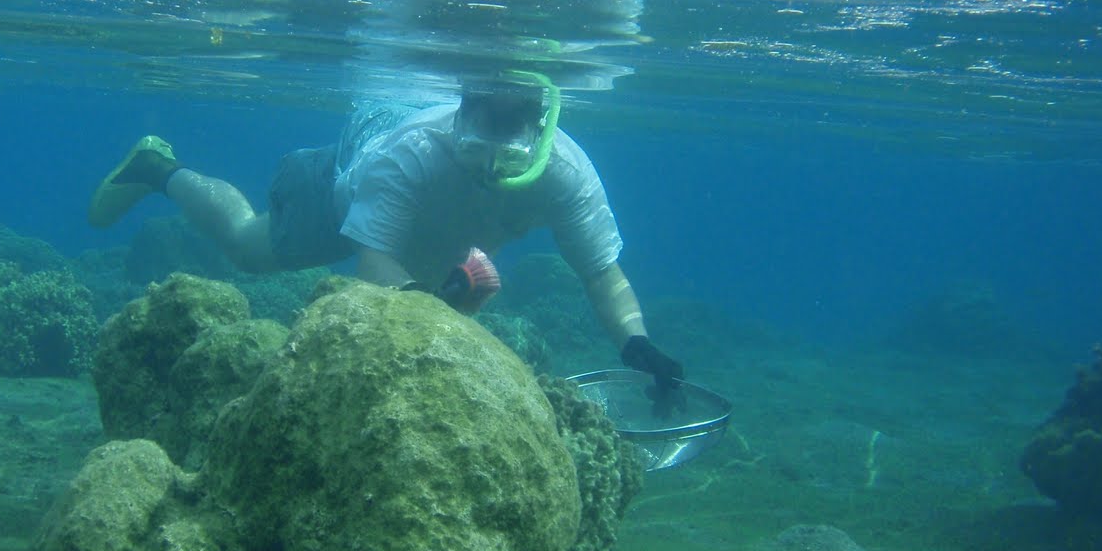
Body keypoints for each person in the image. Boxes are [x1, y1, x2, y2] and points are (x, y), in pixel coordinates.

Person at [87, 71, 685, 401]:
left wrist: (636, 345)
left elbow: (604, 276)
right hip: (359, 170)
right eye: (475, 151)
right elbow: (374, 271)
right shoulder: (408, 159)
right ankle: (156, 169)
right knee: (248, 247)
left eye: (507, 159)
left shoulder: (567, 175)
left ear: (539, 142)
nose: (486, 170)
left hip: (431, 232)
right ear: (457, 127)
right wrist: (443, 297)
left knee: (432, 299)